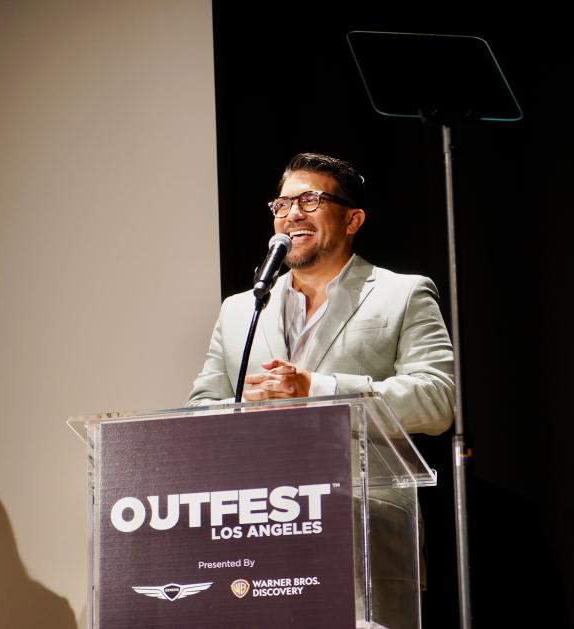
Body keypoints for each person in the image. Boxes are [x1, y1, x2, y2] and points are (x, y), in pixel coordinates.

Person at [188, 152, 455, 628]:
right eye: (282, 203)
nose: (292, 213)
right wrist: (244, 406)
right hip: (254, 534)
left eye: (310, 200)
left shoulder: (403, 294)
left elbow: (436, 400)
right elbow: (202, 409)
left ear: (353, 219)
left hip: (364, 532)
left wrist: (316, 387)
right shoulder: (240, 310)